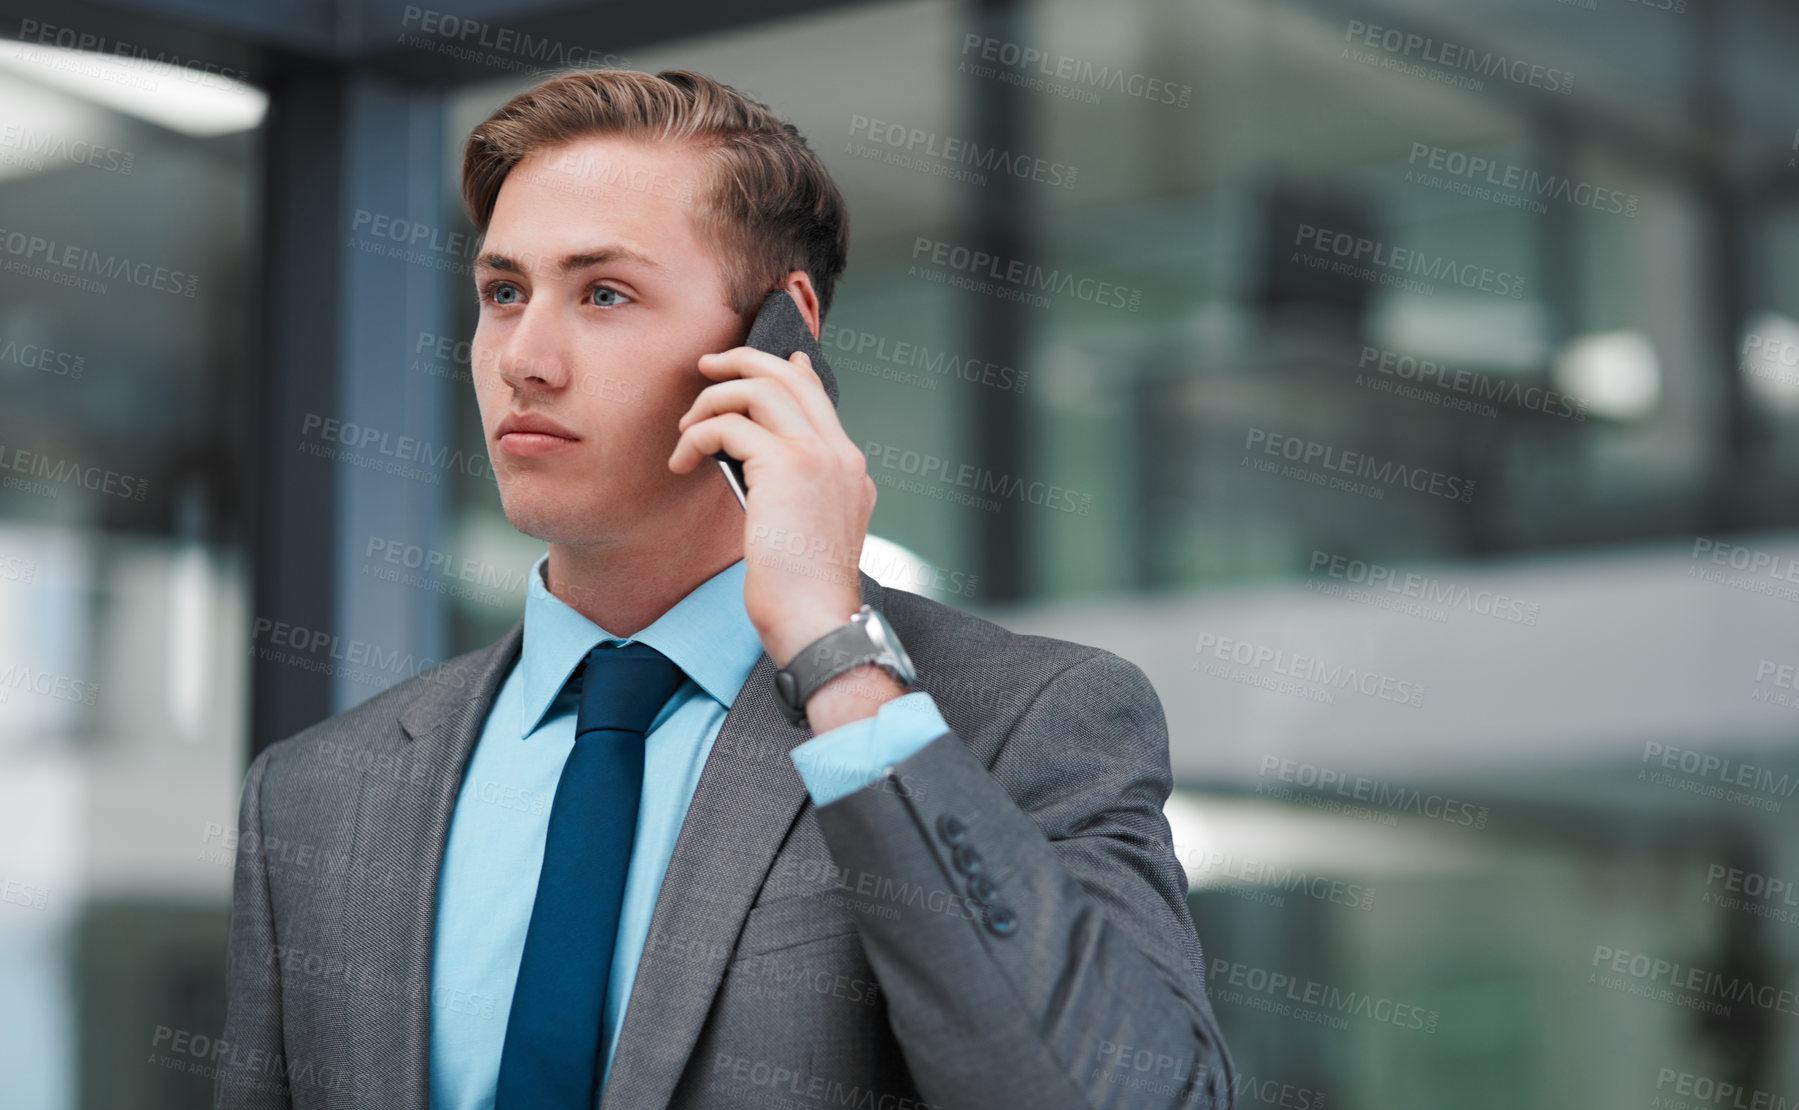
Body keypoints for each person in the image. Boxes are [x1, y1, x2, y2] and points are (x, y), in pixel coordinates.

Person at [215, 67, 1233, 1110]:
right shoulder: (313, 795)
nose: (522, 357)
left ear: (774, 334)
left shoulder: (1024, 722)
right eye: (503, 292)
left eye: (604, 293)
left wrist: (834, 654)